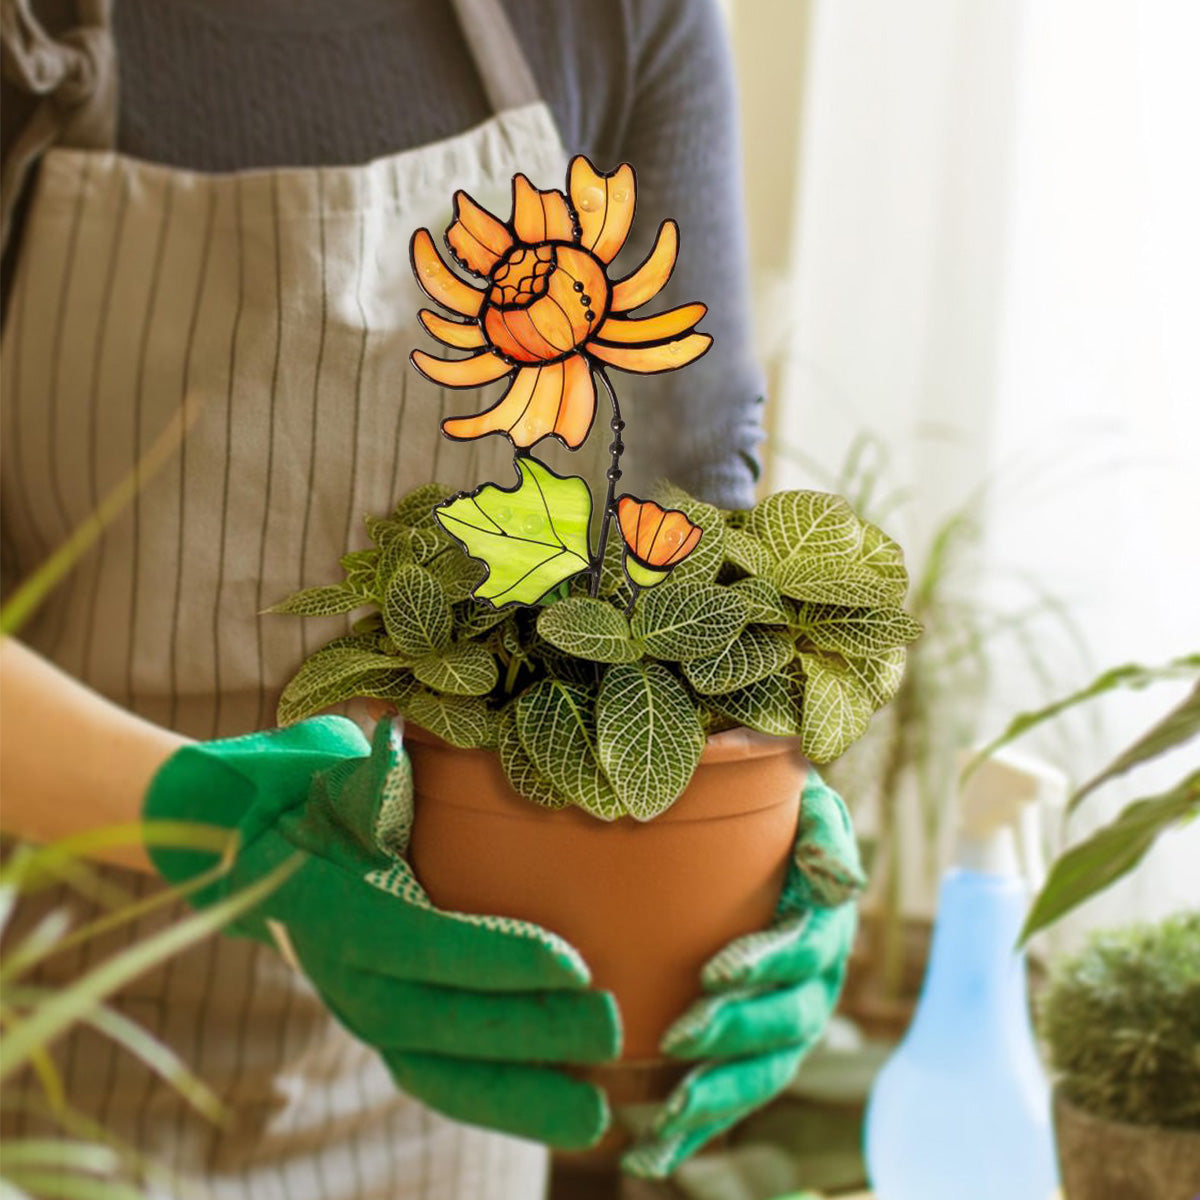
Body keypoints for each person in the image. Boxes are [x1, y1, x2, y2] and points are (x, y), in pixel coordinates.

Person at [0, 0, 860, 1196]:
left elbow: (681, 504)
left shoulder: (616, 18)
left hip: (458, 1074)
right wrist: (205, 816)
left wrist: (774, 816)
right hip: (44, 1057)